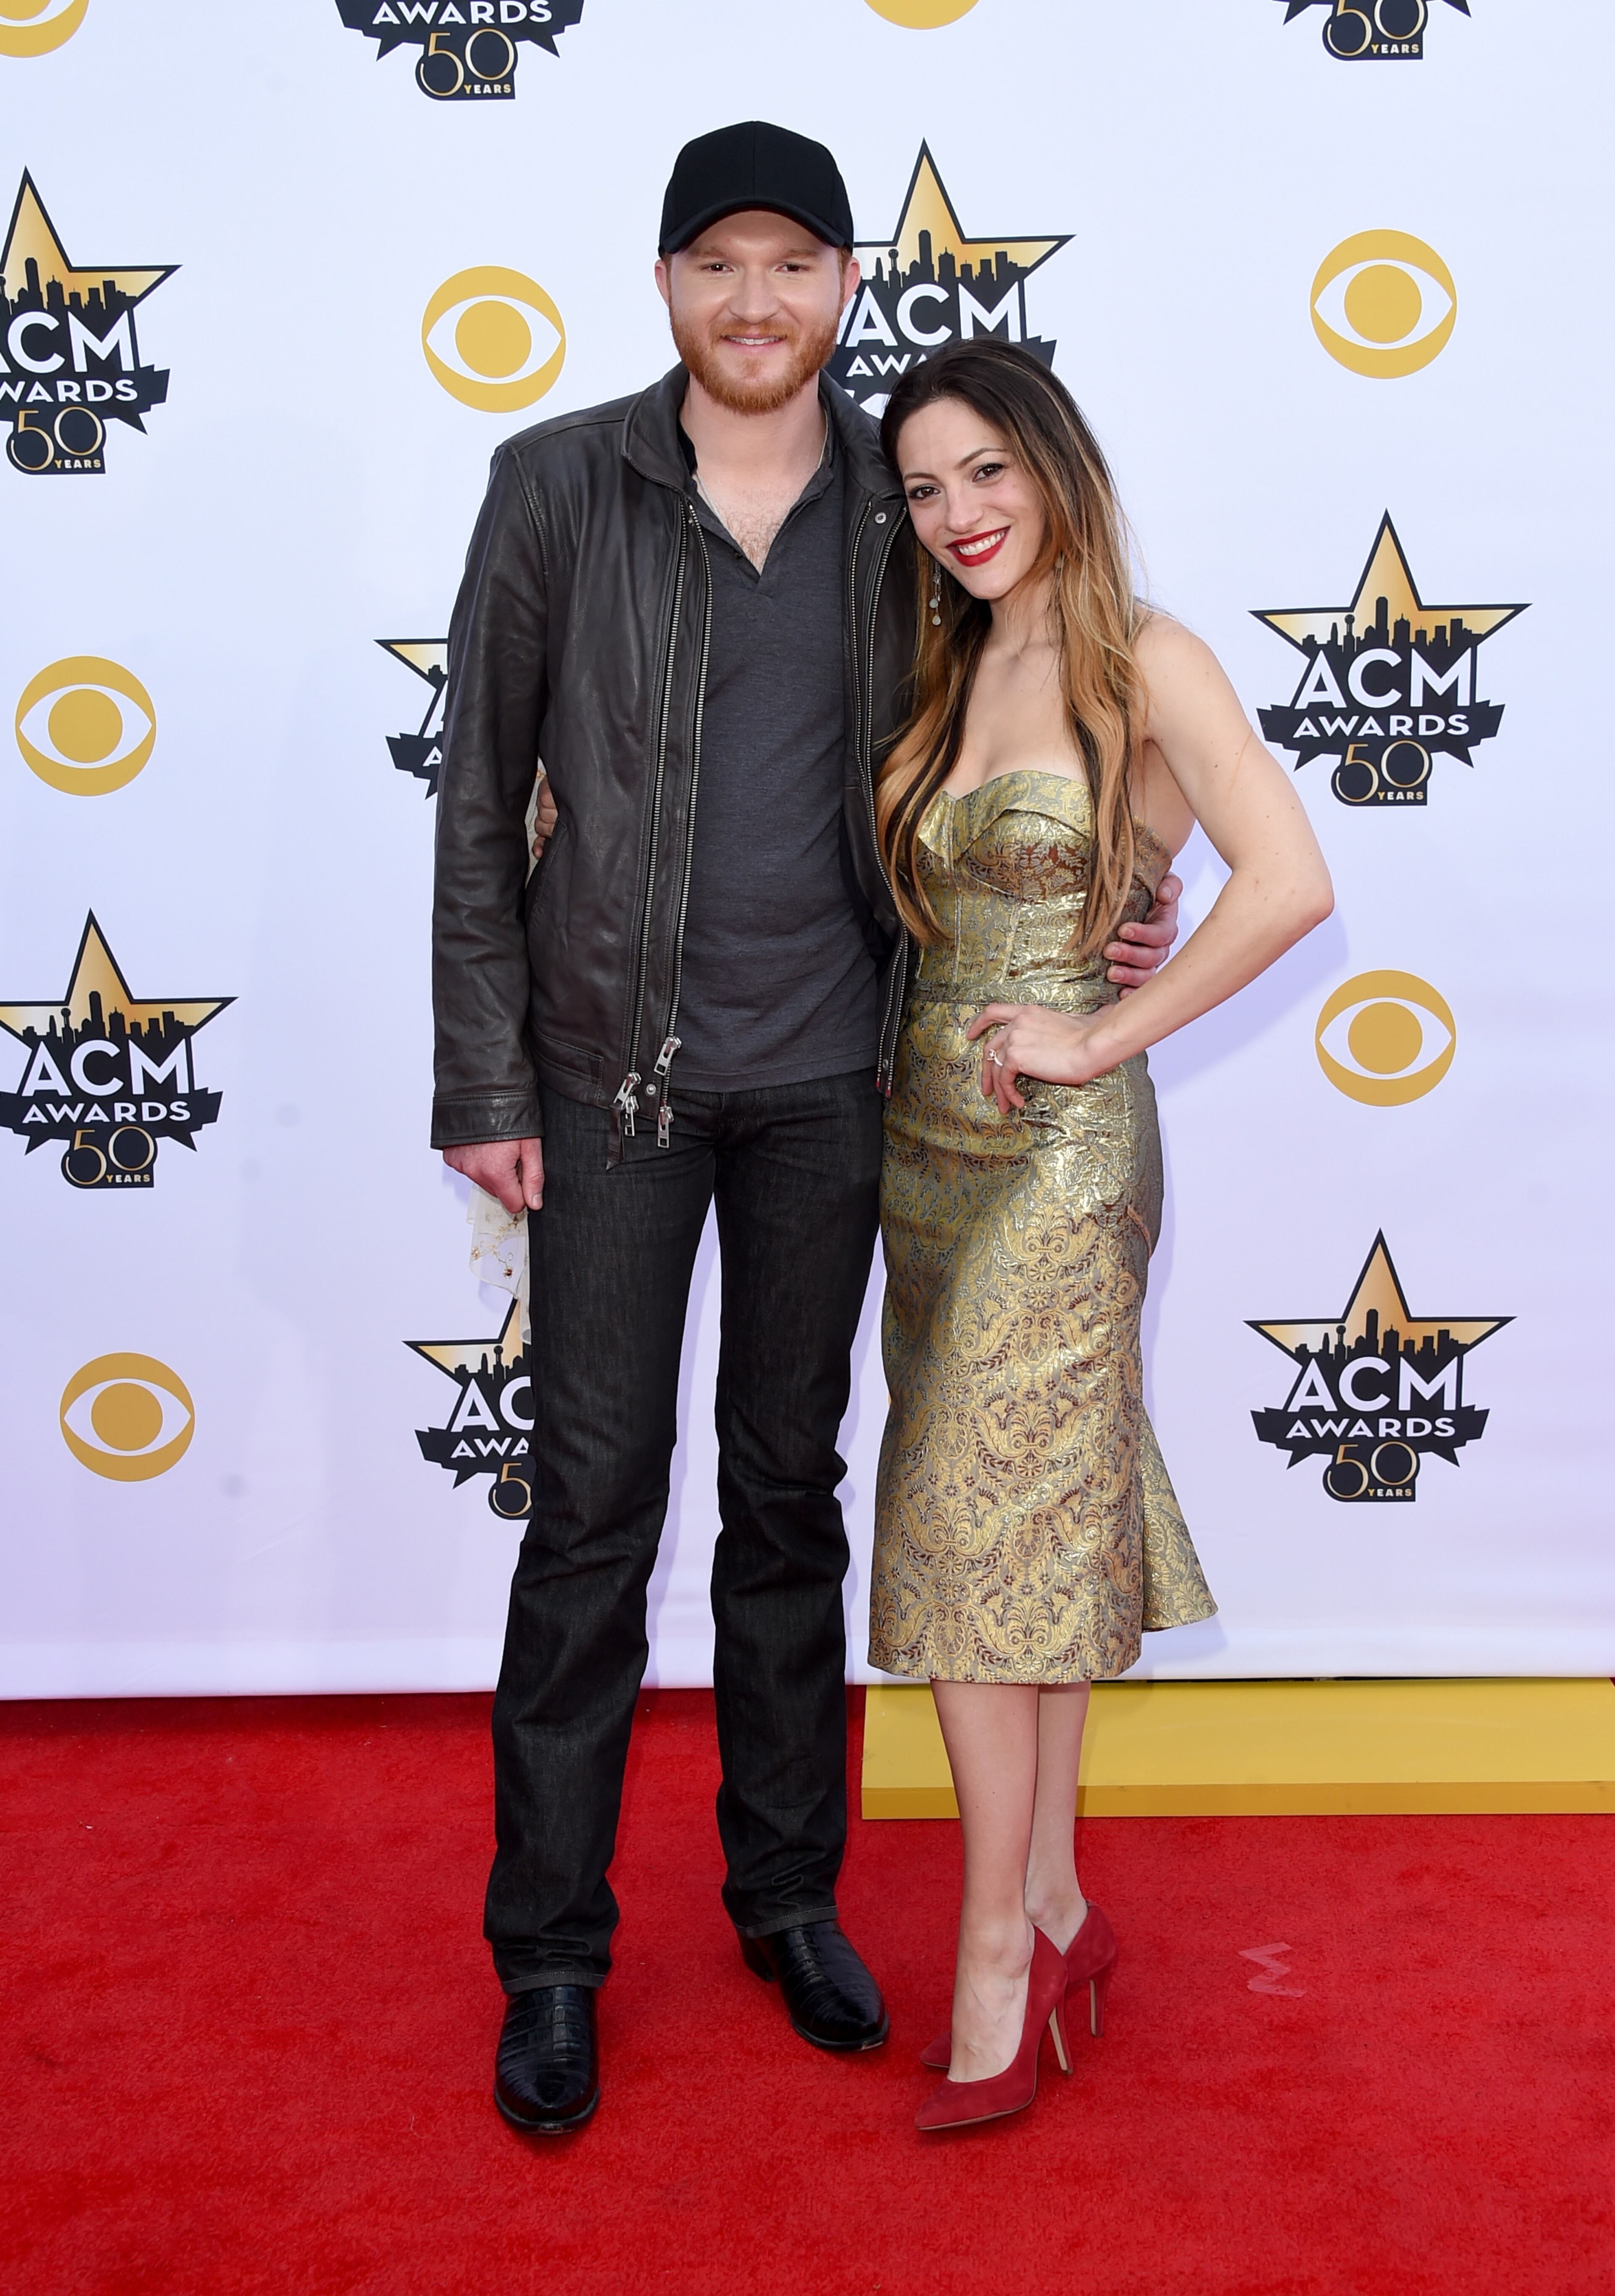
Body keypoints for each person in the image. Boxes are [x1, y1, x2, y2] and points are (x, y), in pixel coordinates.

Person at [431, 124, 1181, 2136]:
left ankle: (786, 1899)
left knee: (789, 1500)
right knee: (589, 1519)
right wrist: (486, 1084)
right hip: (610, 1087)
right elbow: (477, 801)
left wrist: (1129, 880)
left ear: (845, 286)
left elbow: (1056, 712)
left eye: (794, 264)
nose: (756, 300)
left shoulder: (905, 506)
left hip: (847, 1086)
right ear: (666, 285)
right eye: (717, 264)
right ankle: (556, 1955)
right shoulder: (557, 487)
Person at [867, 342, 1334, 2132]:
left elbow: (1289, 881)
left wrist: (1102, 1024)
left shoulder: (1153, 657)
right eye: (924, 488)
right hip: (923, 1149)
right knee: (1036, 1520)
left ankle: (993, 1948)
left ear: (1057, 465)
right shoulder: (947, 662)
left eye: (989, 471)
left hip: (1062, 1157)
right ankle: (1057, 1902)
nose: (960, 514)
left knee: (981, 1540)